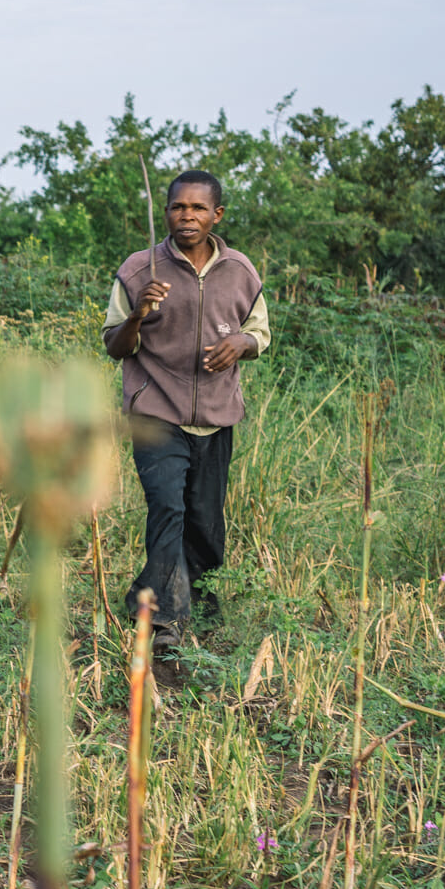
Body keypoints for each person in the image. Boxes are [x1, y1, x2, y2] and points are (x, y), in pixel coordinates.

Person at [102, 169, 271, 675]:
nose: (187, 216)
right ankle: (163, 622)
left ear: (217, 215)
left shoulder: (240, 271)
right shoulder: (139, 270)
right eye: (179, 207)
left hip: (217, 415)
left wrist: (242, 343)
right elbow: (114, 345)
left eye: (199, 208)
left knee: (204, 519)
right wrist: (139, 315)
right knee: (167, 508)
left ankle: (195, 598)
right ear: (168, 211)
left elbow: (259, 333)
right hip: (155, 411)